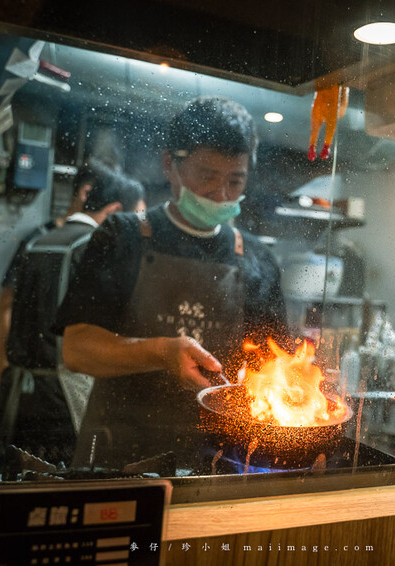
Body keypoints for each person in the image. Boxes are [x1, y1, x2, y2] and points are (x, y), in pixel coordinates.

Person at [54, 96, 289, 468]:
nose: (221, 194)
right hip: (122, 455)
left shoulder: (258, 259)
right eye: (206, 175)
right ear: (170, 165)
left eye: (235, 180)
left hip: (217, 459)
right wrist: (162, 353)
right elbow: (77, 349)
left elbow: (273, 368)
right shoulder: (123, 236)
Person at [0, 171, 146, 463]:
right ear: (115, 212)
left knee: (21, 479)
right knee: (64, 482)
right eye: (136, 218)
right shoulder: (96, 246)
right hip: (64, 393)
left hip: (19, 391)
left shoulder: (37, 241)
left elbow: (8, 307)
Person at [0, 167, 98, 415]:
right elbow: (6, 308)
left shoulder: (95, 246)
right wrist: (0, 377)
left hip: (69, 385)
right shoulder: (36, 240)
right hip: (28, 381)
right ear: (86, 192)